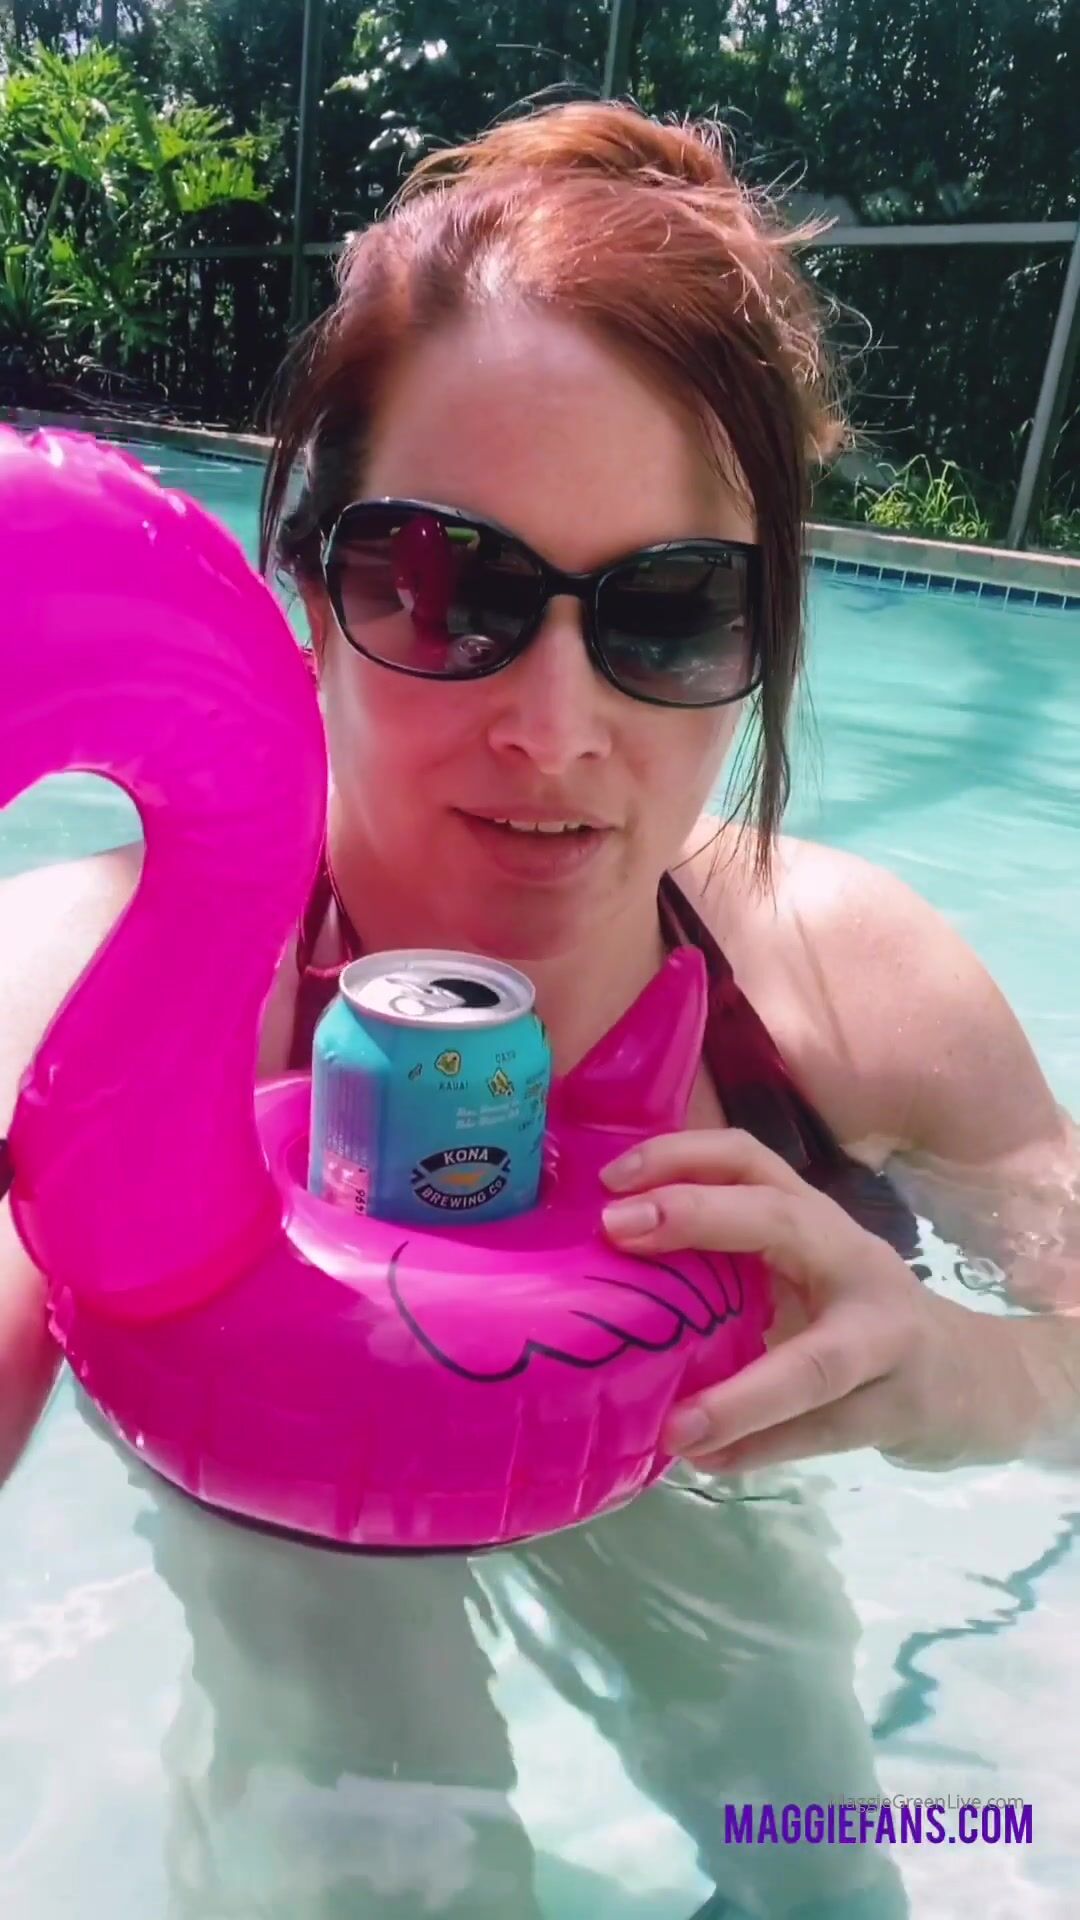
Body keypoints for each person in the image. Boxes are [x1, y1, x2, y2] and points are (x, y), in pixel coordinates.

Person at [0, 98, 1077, 1918]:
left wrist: (953, 1372)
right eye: (446, 587)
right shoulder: (104, 984)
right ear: (307, 588)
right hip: (292, 1532)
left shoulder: (848, 990)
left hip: (702, 1504)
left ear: (764, 634)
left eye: (671, 613)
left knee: (823, 1855)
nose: (557, 731)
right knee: (373, 1822)